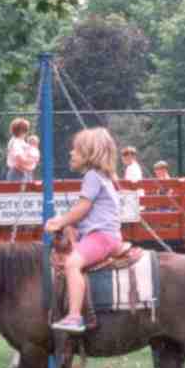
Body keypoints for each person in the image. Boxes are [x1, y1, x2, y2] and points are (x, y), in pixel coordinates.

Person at [44, 127, 123, 333]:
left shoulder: (92, 176)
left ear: (90, 154)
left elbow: (83, 207)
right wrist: (70, 225)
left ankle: (74, 316)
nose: (71, 153)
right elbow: (87, 212)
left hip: (102, 237)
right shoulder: (103, 177)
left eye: (76, 150)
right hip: (107, 236)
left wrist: (60, 221)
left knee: (72, 263)